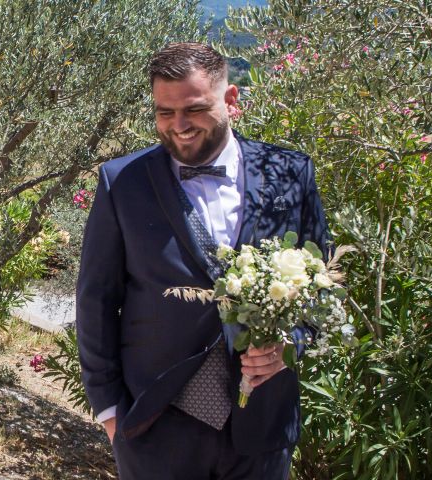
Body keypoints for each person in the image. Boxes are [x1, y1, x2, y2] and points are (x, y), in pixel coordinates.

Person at [76, 43, 330, 479]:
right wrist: (110, 411)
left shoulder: (290, 172)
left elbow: (318, 287)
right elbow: (96, 300)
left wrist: (290, 346)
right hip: (155, 424)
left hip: (263, 425)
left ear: (230, 99)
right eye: (163, 112)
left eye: (193, 109)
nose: (178, 126)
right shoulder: (122, 182)